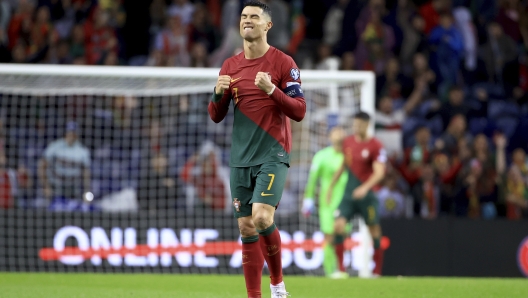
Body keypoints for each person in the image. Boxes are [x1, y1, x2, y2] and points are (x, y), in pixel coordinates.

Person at [207, 2, 305, 297]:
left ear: (267, 26)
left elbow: (299, 111)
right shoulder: (230, 66)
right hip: (240, 159)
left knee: (262, 217)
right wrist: (218, 93)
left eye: (254, 17)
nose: (247, 21)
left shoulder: (283, 63)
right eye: (243, 17)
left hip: (272, 155)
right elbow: (216, 115)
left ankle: (277, 286)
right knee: (247, 228)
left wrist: (272, 91)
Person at [327, 111, 387, 277]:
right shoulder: (348, 142)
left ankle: (376, 272)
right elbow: (344, 165)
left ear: (367, 125)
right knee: (338, 227)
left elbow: (380, 172)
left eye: (359, 124)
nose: (356, 127)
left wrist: (365, 188)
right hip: (349, 194)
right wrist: (331, 186)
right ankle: (340, 271)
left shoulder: (376, 145)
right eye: (354, 124)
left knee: (374, 231)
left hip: (367, 196)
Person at [302, 126, 349, 277]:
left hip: (346, 202)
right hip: (327, 204)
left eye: (341, 130)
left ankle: (341, 269)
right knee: (329, 236)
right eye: (335, 130)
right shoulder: (321, 156)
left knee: (342, 235)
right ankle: (331, 271)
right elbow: (312, 180)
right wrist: (308, 199)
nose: (339, 133)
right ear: (329, 137)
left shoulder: (349, 156)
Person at [38, 121, 91, 211]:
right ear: (66, 133)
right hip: (55, 190)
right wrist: (45, 186)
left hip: (73, 191)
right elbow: (42, 165)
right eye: (69, 132)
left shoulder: (82, 151)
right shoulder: (55, 147)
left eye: (74, 133)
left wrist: (87, 191)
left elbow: (86, 173)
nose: (71, 135)